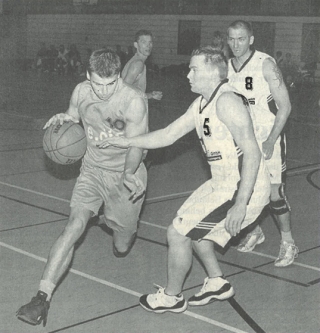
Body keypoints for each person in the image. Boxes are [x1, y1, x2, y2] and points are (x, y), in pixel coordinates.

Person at [98, 46, 270, 313]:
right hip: (222, 183)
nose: (188, 74)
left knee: (177, 233)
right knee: (193, 228)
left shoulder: (226, 101)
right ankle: (216, 282)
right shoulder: (201, 104)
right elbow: (168, 134)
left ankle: (172, 297)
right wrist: (125, 141)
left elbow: (253, 153)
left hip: (242, 188)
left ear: (213, 72)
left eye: (194, 69)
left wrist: (241, 203)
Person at [16, 49, 148, 326]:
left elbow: (138, 145)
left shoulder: (133, 100)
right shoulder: (81, 90)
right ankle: (42, 297)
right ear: (88, 75)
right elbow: (73, 115)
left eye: (110, 84)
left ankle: (105, 218)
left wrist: (128, 172)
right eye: (97, 83)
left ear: (118, 76)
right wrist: (62, 119)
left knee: (122, 246)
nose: (103, 91)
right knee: (74, 226)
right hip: (91, 170)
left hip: (125, 176)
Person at [227, 20, 298, 267]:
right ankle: (255, 231)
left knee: (275, 194)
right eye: (232, 39)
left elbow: (285, 106)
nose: (236, 44)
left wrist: (270, 140)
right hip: (244, 141)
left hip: (270, 137)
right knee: (246, 190)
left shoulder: (265, 64)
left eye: (241, 39)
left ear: (251, 39)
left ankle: (288, 243)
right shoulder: (226, 68)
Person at [122, 29, 162, 101]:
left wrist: (151, 94)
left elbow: (133, 89)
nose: (148, 46)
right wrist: (149, 95)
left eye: (150, 42)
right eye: (144, 42)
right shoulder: (138, 64)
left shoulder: (136, 61)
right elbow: (123, 91)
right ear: (136, 45)